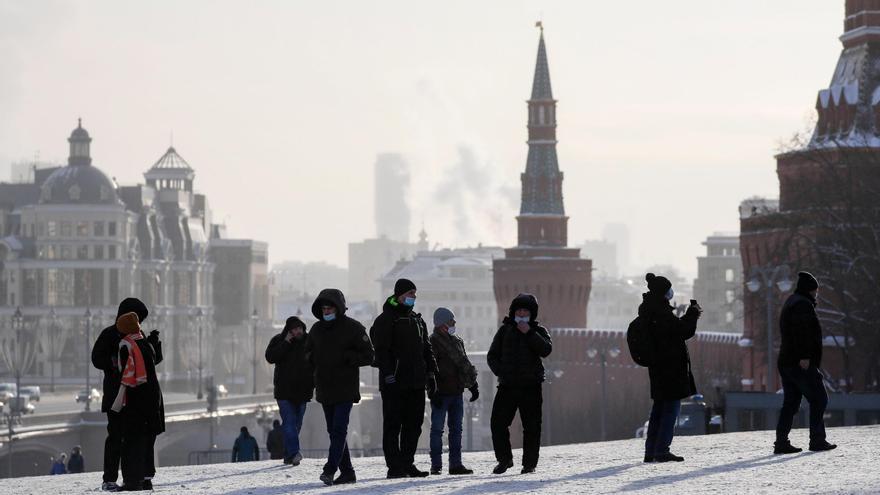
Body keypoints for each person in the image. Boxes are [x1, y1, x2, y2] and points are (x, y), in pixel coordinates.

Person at [370, 278, 439, 479]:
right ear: (399, 296)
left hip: (416, 382)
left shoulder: (417, 320)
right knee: (393, 425)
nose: (413, 298)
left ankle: (407, 463)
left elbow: (427, 349)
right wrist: (389, 373)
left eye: (414, 295)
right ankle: (394, 466)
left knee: (414, 425)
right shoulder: (386, 320)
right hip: (394, 382)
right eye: (410, 294)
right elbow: (381, 351)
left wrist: (431, 374)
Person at [305, 288, 375, 486]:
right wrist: (311, 360)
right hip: (325, 389)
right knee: (334, 431)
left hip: (345, 389)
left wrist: (351, 358)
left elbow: (369, 355)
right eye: (324, 308)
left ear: (338, 308)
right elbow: (307, 354)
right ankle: (348, 472)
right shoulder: (317, 330)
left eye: (330, 308)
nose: (326, 311)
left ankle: (329, 470)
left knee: (338, 430)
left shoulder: (353, 328)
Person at [91, 298, 161, 492]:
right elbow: (96, 358)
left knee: (137, 440)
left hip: (135, 399)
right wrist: (114, 362)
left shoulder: (138, 335)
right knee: (115, 438)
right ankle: (110, 478)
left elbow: (149, 363)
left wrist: (155, 345)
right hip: (117, 395)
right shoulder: (109, 335)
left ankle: (140, 477)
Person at [487, 293, 552, 475]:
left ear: (532, 314)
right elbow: (492, 355)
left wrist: (529, 333)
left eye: (525, 310)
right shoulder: (504, 331)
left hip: (531, 387)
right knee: (497, 423)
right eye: (519, 310)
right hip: (507, 386)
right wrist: (501, 372)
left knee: (531, 427)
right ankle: (504, 460)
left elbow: (546, 349)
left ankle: (529, 464)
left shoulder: (539, 331)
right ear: (513, 311)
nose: (522, 313)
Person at [640, 273, 701, 463]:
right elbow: (682, 331)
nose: (671, 293)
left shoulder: (649, 310)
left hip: (659, 368)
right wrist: (692, 315)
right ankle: (662, 450)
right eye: (668, 290)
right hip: (670, 369)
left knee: (659, 409)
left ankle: (651, 451)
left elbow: (674, 329)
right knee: (670, 410)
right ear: (663, 293)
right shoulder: (660, 312)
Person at [774, 271, 837, 454]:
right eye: (815, 291)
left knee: (791, 403)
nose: (816, 294)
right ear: (808, 290)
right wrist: (805, 357)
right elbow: (802, 333)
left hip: (787, 361)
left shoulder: (792, 302)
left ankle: (781, 442)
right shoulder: (802, 305)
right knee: (819, 398)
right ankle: (817, 440)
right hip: (799, 362)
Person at [111, 307, 165, 491]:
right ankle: (146, 479)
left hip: (136, 398)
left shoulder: (126, 345)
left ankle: (131, 481)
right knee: (147, 441)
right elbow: (156, 359)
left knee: (131, 441)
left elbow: (125, 373)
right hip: (153, 396)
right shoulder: (144, 343)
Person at [428, 307, 479, 476]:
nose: (454, 323)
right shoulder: (432, 342)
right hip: (441, 394)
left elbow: (464, 363)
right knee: (437, 430)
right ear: (442, 324)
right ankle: (436, 465)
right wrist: (433, 392)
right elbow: (430, 370)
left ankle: (455, 465)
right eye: (451, 321)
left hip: (456, 392)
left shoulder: (456, 340)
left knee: (456, 430)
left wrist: (472, 384)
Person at [265, 316, 314, 465]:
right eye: (294, 329)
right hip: (284, 391)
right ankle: (294, 452)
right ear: (288, 331)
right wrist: (286, 342)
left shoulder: (309, 342)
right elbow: (271, 357)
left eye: (299, 328)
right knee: (289, 422)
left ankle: (288, 455)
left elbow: (317, 361)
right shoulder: (279, 341)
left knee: (296, 424)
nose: (297, 332)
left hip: (303, 391)